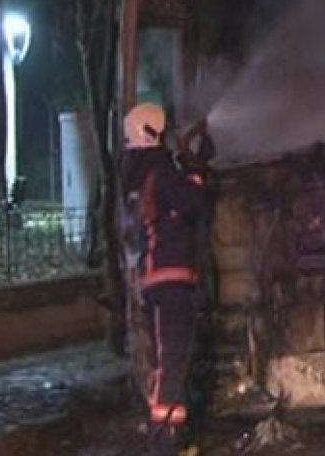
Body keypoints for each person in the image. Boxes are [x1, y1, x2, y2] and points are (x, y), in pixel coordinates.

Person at [120, 102, 209, 456]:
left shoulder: (142, 171)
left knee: (174, 360)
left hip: (163, 278)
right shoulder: (160, 170)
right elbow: (193, 203)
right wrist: (195, 169)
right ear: (152, 134)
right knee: (172, 360)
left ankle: (173, 438)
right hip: (170, 280)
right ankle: (163, 442)